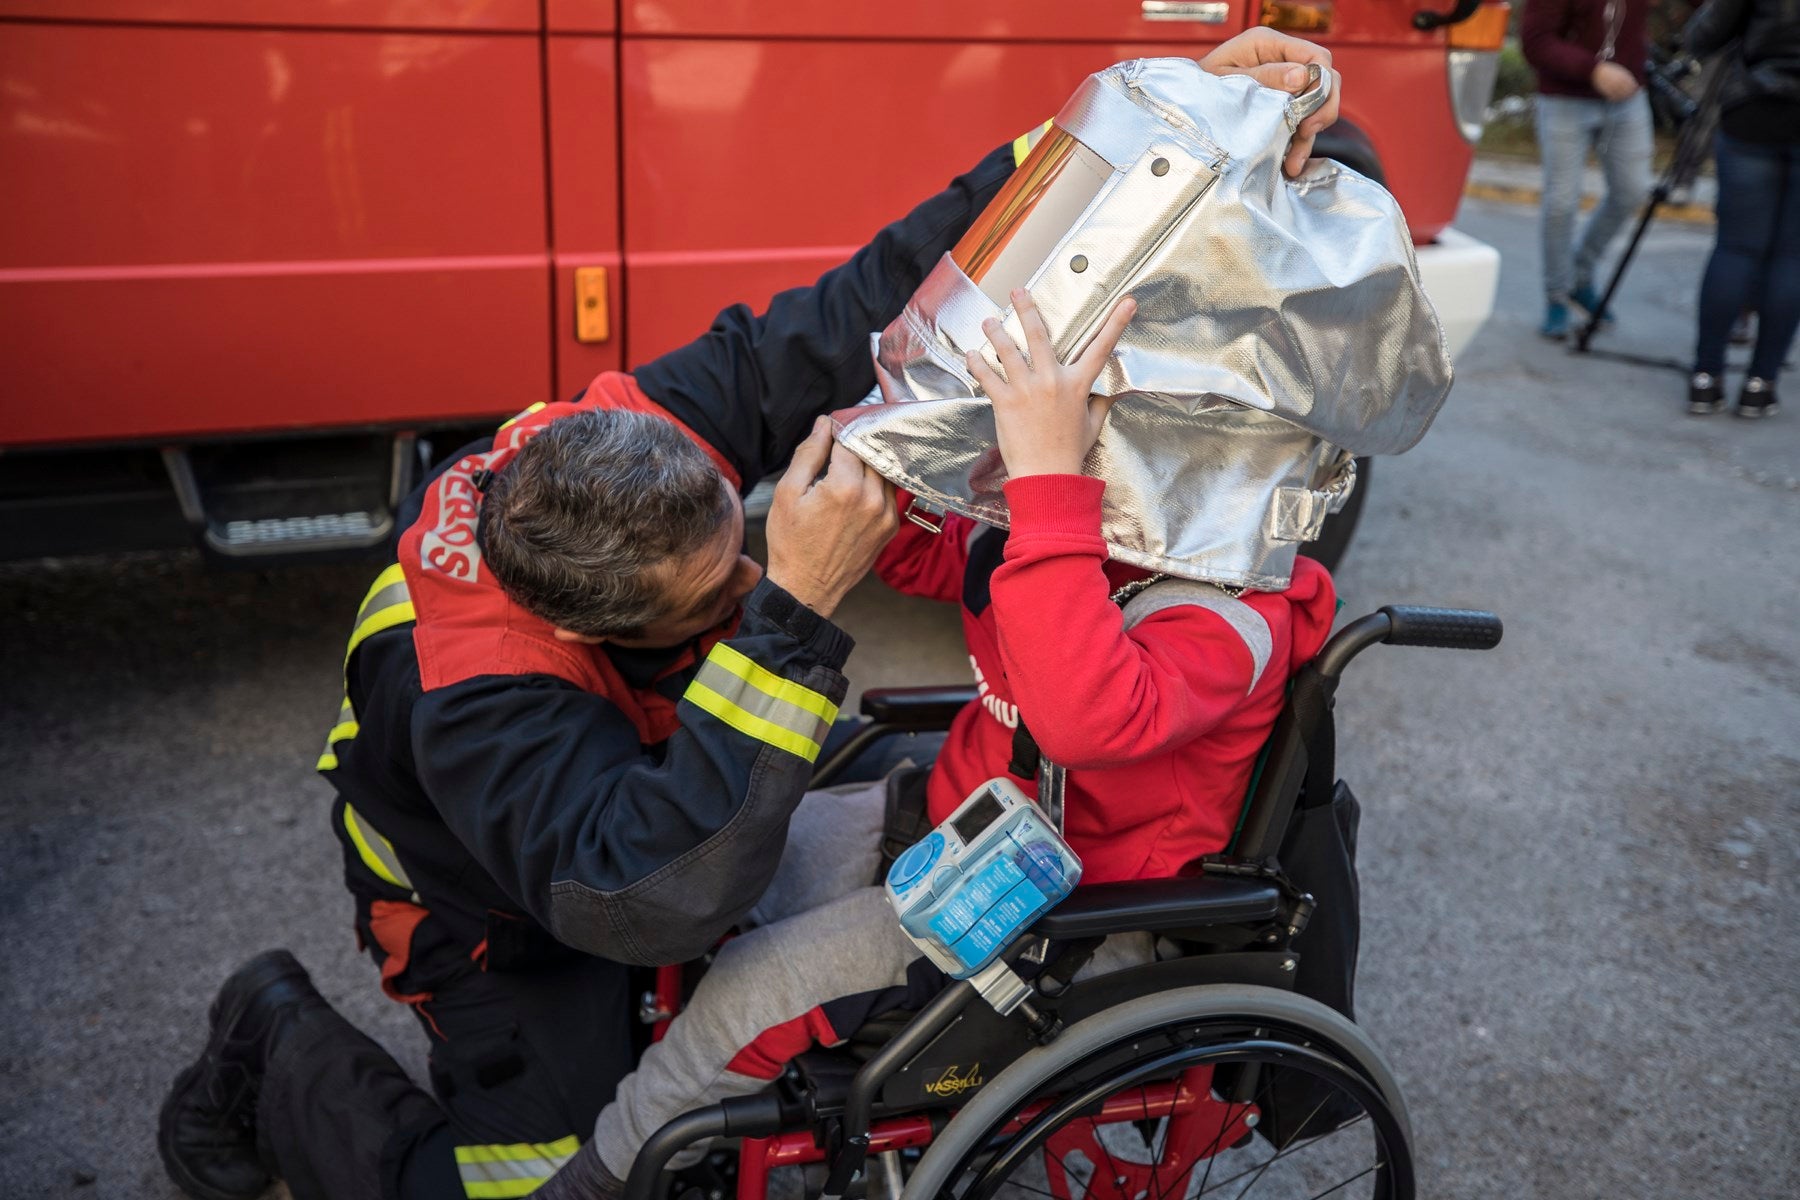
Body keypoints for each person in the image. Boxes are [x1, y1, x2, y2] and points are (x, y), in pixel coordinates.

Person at [156, 30, 1343, 1200]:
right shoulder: (476, 698)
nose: (743, 592)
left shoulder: (642, 432)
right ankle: (268, 1046)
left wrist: (1131, 127)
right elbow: (647, 895)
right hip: (502, 896)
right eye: (716, 600)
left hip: (677, 798)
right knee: (531, 1179)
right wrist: (800, 600)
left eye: (744, 543)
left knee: (764, 909)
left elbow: (872, 302)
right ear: (592, 638)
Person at [1683, 0, 1800, 418]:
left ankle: (1705, 378)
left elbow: (1702, 35)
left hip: (1756, 109)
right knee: (1791, 257)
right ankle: (1759, 384)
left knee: (1735, 248)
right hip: (1760, 112)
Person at [1522, 0, 1655, 339]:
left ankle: (1579, 275)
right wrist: (1593, 69)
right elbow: (1535, 41)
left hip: (1626, 97)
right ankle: (1557, 294)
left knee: (1632, 191)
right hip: (1564, 97)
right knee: (1561, 202)